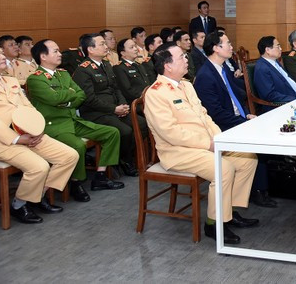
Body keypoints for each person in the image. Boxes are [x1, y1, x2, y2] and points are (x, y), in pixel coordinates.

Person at [144, 43, 258, 244]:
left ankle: (228, 211)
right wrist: (208, 144)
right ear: (167, 65)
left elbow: (205, 116)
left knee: (248, 159)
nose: (186, 59)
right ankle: (214, 224)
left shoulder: (186, 85)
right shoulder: (156, 93)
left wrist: (218, 138)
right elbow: (171, 133)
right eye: (181, 57)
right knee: (224, 169)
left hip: (206, 144)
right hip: (178, 152)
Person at [0, 42, 79, 223]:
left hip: (29, 135)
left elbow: (29, 107)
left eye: (2, 53)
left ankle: (37, 196)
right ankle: (19, 204)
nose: (3, 57)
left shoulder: (11, 81)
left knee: (69, 156)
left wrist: (37, 130)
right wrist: (16, 138)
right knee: (39, 167)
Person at [27, 39, 124, 201]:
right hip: (55, 126)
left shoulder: (63, 74)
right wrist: (70, 95)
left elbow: (81, 95)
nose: (60, 54)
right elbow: (54, 99)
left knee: (112, 132)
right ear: (43, 56)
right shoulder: (35, 79)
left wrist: (66, 99)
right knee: (78, 145)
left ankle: (100, 176)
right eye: (55, 51)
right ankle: (76, 182)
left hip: (72, 120)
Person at [194, 32, 276, 208]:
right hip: (221, 125)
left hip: (235, 118)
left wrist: (246, 114)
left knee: (266, 133)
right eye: (228, 44)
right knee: (259, 142)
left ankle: (260, 187)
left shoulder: (222, 68)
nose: (232, 47)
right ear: (216, 48)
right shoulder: (205, 76)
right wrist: (243, 123)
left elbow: (237, 97)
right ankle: (258, 191)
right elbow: (215, 113)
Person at [72, 33, 144, 177]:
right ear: (90, 49)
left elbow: (116, 88)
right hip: (97, 113)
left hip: (115, 109)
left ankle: (125, 157)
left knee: (142, 124)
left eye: (105, 44)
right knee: (125, 131)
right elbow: (89, 99)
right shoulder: (83, 70)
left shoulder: (106, 64)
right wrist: (113, 109)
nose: (106, 47)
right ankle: (123, 161)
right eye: (102, 44)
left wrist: (123, 105)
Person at [252, 36, 296, 104]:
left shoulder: (275, 62)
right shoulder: (261, 68)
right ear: (267, 50)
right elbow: (269, 95)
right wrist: (293, 99)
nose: (281, 49)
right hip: (282, 105)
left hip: (295, 99)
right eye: (278, 46)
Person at [113, 38, 152, 105]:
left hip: (147, 99)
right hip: (136, 103)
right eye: (131, 47)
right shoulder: (119, 68)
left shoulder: (139, 65)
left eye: (135, 46)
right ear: (123, 53)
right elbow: (127, 90)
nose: (135, 49)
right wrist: (145, 96)